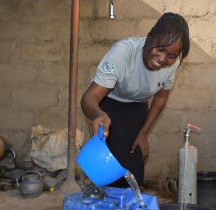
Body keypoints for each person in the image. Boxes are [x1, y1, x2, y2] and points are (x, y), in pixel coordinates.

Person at [81, 12, 190, 187]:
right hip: (108, 104)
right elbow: (89, 97)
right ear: (150, 37)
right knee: (107, 170)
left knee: (134, 169)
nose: (163, 59)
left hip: (137, 109)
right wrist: (97, 115)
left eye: (171, 56)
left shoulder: (174, 63)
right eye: (160, 49)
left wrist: (144, 133)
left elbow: (161, 97)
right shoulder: (123, 52)